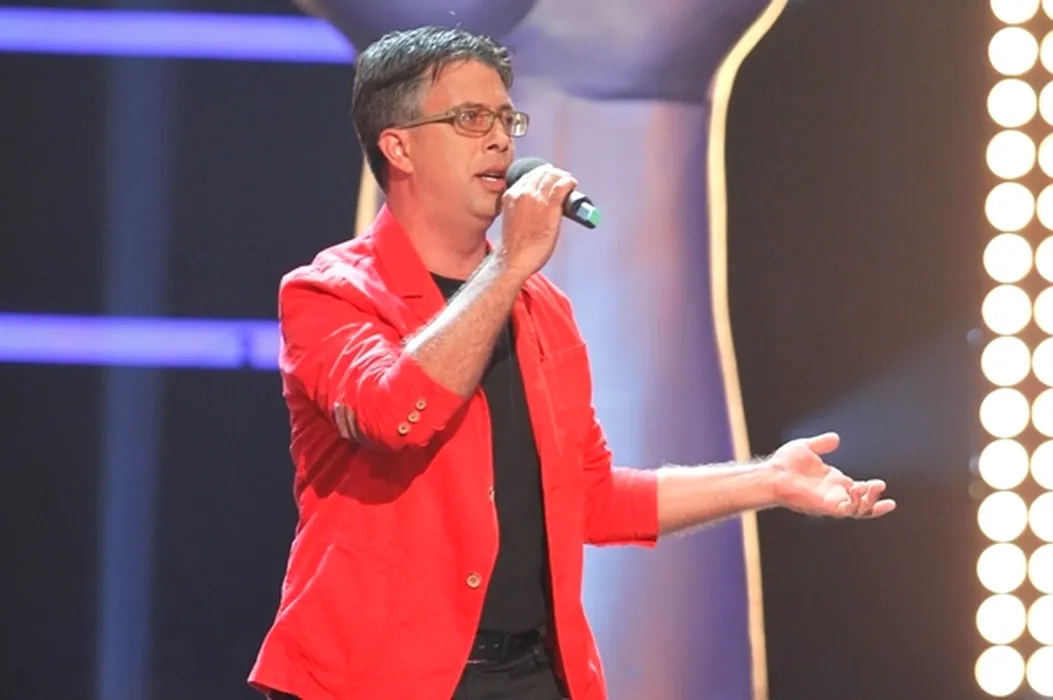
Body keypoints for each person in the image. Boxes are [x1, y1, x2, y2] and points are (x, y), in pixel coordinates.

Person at [248, 25, 895, 700]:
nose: (500, 141)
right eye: (470, 119)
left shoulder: (541, 309)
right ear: (398, 146)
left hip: (533, 674)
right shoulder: (330, 294)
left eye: (506, 119)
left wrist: (768, 480)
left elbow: (591, 498)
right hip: (374, 679)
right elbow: (395, 416)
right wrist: (508, 265)